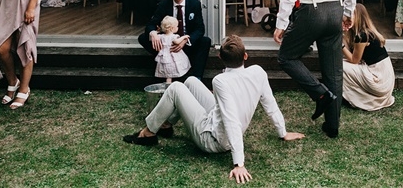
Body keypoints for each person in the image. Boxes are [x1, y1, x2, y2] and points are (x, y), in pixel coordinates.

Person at [123, 35, 305, 183]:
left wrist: (239, 163)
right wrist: (283, 131)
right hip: (215, 122)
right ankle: (166, 125)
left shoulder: (221, 80)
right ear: (246, 56)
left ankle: (148, 133)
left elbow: (231, 120)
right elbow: (270, 104)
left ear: (220, 58)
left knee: (175, 88)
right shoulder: (258, 71)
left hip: (213, 140)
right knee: (191, 81)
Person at [274, 0, 357, 139]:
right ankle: (333, 126)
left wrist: (281, 24)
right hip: (335, 11)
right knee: (334, 71)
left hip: (312, 10)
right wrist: (348, 13)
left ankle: (320, 93)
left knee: (286, 56)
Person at [138, 0, 211, 80]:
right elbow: (151, 24)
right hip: (168, 46)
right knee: (143, 38)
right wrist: (153, 33)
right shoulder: (163, 5)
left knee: (205, 41)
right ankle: (164, 61)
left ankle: (197, 76)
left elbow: (200, 28)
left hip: (187, 43)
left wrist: (185, 40)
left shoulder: (194, 4)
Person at [341, 4, 395, 111]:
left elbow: (354, 60)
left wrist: (340, 45)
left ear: (358, 16)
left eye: (349, 15)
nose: (346, 18)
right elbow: (352, 56)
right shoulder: (365, 32)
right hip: (383, 77)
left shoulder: (362, 36)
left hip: (379, 79)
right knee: (341, 62)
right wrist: (344, 33)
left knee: (339, 65)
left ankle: (353, 98)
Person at [155, 15, 191, 83]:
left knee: (168, 73)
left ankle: (168, 82)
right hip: (172, 55)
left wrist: (156, 32)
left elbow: (151, 39)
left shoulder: (161, 36)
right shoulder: (174, 36)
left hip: (164, 56)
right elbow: (177, 42)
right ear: (172, 28)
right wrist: (184, 37)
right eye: (176, 26)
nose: (177, 28)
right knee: (175, 66)